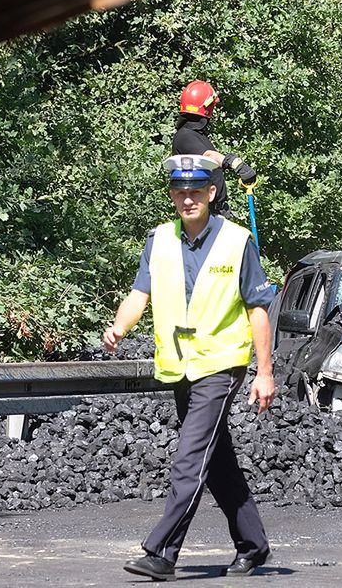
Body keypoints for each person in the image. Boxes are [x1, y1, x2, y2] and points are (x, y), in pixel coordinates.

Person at [103, 154, 275, 581]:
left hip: (222, 366)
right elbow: (140, 292)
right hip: (181, 367)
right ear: (172, 196)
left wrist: (265, 373)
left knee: (189, 458)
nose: (187, 199)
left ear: (211, 193)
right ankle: (253, 546)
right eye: (180, 192)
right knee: (215, 460)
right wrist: (118, 328)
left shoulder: (237, 241)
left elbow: (258, 310)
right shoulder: (159, 239)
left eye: (196, 191)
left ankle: (162, 552)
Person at [173, 80, 230, 216]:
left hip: (213, 212)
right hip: (203, 216)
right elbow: (209, 157)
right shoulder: (185, 136)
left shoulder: (193, 134)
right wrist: (235, 163)